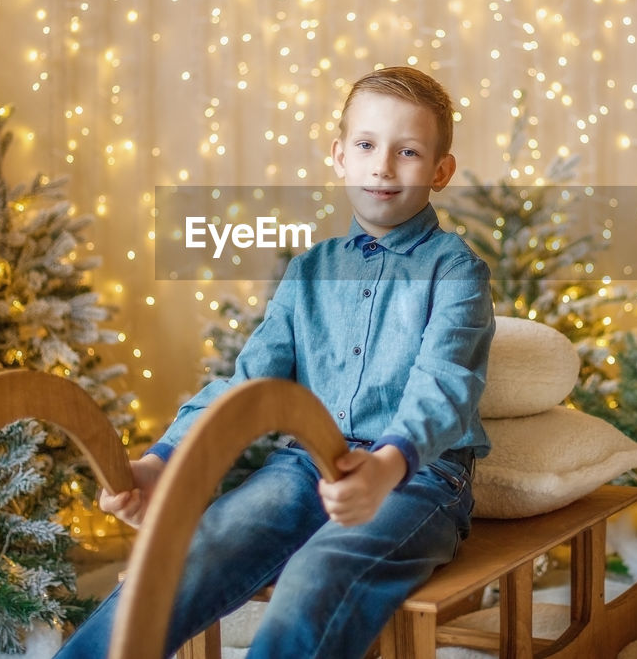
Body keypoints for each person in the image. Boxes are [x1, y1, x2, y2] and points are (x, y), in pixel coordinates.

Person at [55, 66, 494, 659]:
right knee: (197, 552)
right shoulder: (308, 271)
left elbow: (444, 386)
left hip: (418, 478)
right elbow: (250, 383)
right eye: (366, 146)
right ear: (340, 156)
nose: (382, 167)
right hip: (304, 464)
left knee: (317, 574)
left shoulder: (456, 270)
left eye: (408, 152)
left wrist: (388, 466)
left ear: (441, 171)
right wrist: (165, 462)